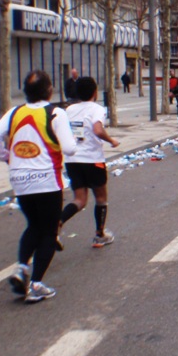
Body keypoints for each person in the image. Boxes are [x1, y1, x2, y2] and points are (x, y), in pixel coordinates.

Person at [0, 70, 77, 302]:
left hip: (20, 180)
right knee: (49, 231)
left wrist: (7, 157)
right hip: (46, 179)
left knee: (33, 226)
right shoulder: (55, 113)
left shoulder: (14, 112)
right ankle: (36, 284)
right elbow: (69, 148)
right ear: (49, 90)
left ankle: (21, 270)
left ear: (25, 92)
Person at [60, 76, 120, 247]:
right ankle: (100, 234)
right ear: (95, 92)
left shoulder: (69, 110)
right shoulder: (96, 108)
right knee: (101, 198)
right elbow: (98, 129)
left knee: (79, 200)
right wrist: (111, 141)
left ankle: (58, 222)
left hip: (72, 159)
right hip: (92, 159)